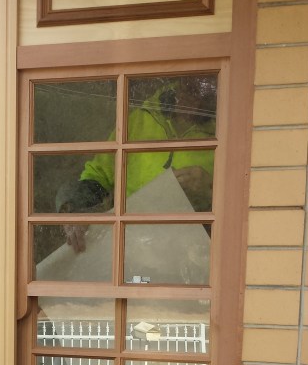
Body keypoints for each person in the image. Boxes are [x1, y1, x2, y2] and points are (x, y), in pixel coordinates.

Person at [56, 78, 215, 250]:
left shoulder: (229, 131)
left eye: (206, 91)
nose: (196, 98)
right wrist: (75, 207)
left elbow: (244, 210)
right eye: (191, 86)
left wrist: (211, 191)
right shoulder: (139, 120)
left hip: (191, 253)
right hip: (132, 247)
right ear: (179, 84)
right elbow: (97, 177)